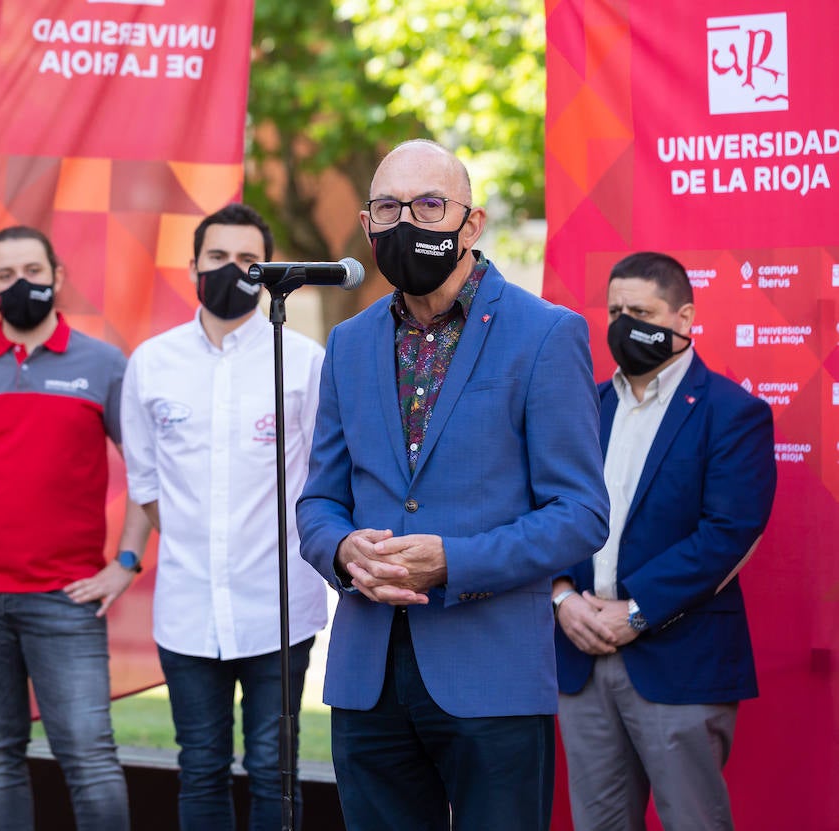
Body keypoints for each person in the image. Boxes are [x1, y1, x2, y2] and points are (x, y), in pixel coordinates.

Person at [295, 139, 611, 831]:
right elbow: (319, 499)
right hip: (366, 676)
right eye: (387, 207)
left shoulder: (545, 334)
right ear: (367, 224)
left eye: (429, 204)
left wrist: (453, 560)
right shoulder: (348, 343)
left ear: (472, 223)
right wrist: (344, 550)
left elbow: (581, 513)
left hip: (492, 674)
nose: (407, 221)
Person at [0, 226, 142, 831]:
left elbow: (148, 472)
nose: (22, 285)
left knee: (88, 758)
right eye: (6, 276)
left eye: (33, 272)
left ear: (57, 277)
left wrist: (126, 564)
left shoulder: (103, 364)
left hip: (63, 598)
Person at [119, 203, 328, 830]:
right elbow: (147, 486)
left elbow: (324, 480)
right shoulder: (151, 363)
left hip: (280, 610)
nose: (230, 271)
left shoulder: (302, 360)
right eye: (217, 258)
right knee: (201, 767)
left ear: (265, 274)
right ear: (192, 267)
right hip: (187, 611)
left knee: (275, 772)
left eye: (247, 261)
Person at [553, 252, 776, 831]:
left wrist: (636, 611)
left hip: (679, 661)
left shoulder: (733, 413)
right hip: (581, 655)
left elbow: (728, 532)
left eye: (641, 311)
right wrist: (562, 598)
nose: (625, 324)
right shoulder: (583, 406)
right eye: (615, 311)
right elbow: (547, 512)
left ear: (683, 318)